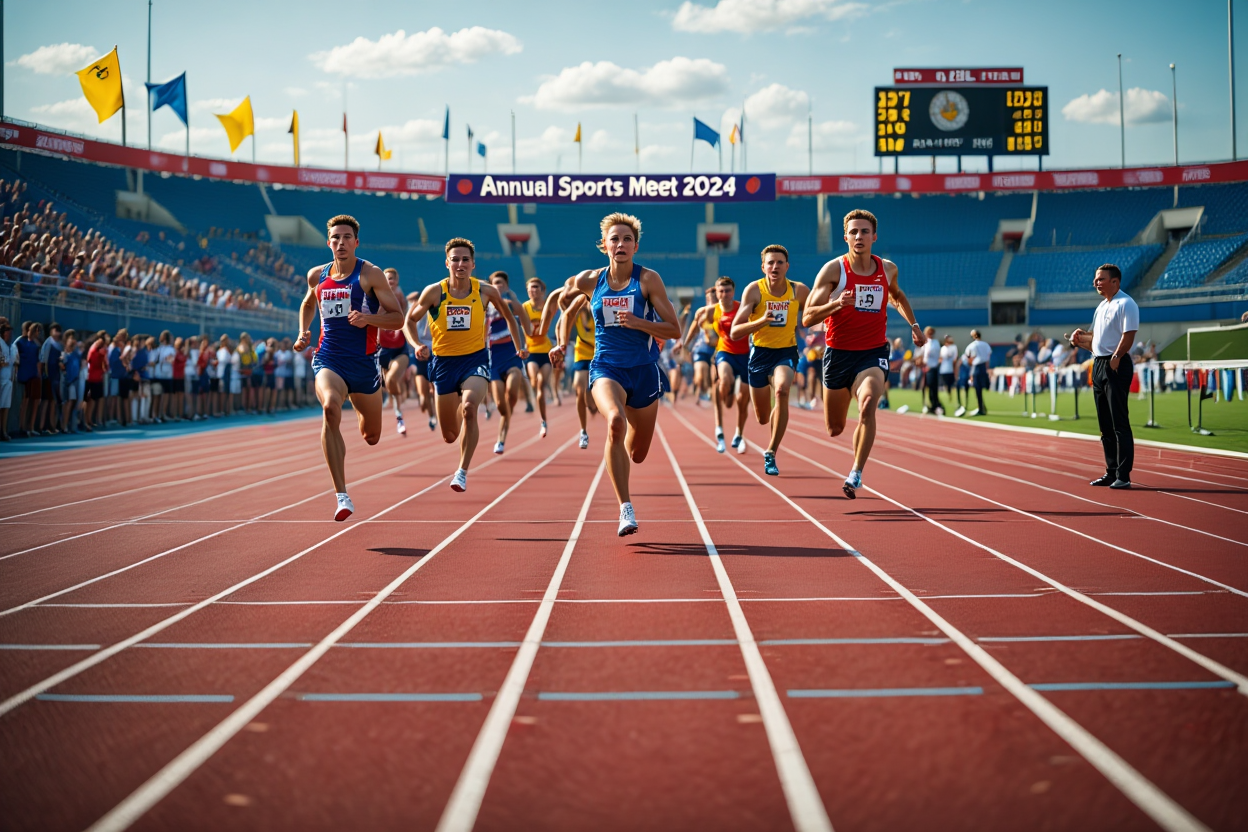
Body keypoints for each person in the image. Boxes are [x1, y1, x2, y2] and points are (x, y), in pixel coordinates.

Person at [551, 212, 682, 536]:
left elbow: (674, 328)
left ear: (635, 246)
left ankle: (622, 462)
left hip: (643, 371)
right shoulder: (588, 280)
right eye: (614, 239)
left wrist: (639, 323)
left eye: (626, 239)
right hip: (605, 366)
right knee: (614, 422)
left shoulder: (648, 280)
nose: (620, 244)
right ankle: (625, 508)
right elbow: (563, 303)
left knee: (637, 453)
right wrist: (558, 341)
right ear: (604, 245)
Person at [803, 209, 925, 498]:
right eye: (854, 232)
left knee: (869, 401)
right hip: (838, 354)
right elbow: (807, 317)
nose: (859, 236)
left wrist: (914, 324)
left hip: (872, 352)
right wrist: (836, 305)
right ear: (845, 237)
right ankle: (851, 453)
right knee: (834, 428)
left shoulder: (888, 269)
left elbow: (896, 295)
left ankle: (856, 471)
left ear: (874, 237)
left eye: (865, 231)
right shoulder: (834, 270)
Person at [294, 214, 404, 520]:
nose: (340, 243)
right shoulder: (317, 275)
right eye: (335, 238)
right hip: (329, 357)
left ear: (356, 242)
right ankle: (342, 496)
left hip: (364, 364)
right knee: (330, 407)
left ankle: (359, 404)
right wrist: (303, 333)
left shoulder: (370, 275)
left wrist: (368, 318)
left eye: (346, 238)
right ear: (328, 242)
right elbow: (307, 304)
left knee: (371, 436)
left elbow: (397, 318)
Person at [405, 238, 526, 492]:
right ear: (447, 262)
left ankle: (461, 471)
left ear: (473, 264)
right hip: (443, 363)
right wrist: (416, 344)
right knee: (449, 435)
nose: (460, 264)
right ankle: (459, 418)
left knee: (470, 408)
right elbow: (409, 321)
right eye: (455, 259)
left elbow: (509, 317)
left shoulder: (485, 291)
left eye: (465, 260)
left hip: (475, 359)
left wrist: (518, 346)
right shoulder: (434, 292)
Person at [730, 244, 811, 477]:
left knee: (782, 391)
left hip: (786, 351)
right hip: (759, 354)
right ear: (763, 266)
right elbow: (736, 331)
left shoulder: (799, 290)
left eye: (779, 263)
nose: (775, 266)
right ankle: (768, 434)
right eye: (770, 263)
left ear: (787, 266)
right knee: (763, 417)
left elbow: (814, 313)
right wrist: (761, 321)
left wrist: (821, 326)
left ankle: (771, 451)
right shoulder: (754, 290)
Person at [1065, 263, 1139, 489]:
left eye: (1101, 279)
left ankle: (1123, 475)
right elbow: (1095, 339)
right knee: (1105, 425)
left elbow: (1129, 335)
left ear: (1115, 281)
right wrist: (1079, 338)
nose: (1096, 282)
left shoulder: (1126, 303)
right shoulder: (1101, 306)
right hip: (1098, 364)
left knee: (1119, 422)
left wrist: (1116, 357)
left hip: (1115, 364)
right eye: (1096, 279)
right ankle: (1110, 471)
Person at [485, 270, 532, 454]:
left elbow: (528, 329)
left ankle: (501, 439)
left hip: (512, 356)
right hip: (493, 361)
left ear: (506, 286)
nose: (498, 286)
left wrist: (526, 345)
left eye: (501, 283)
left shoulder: (512, 305)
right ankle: (501, 434)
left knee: (512, 394)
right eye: (495, 283)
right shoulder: (483, 306)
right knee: (500, 404)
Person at [708, 276, 750, 454]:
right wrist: (683, 343)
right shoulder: (711, 311)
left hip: (746, 355)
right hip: (725, 352)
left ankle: (739, 434)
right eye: (721, 291)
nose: (724, 294)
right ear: (716, 292)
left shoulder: (743, 308)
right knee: (723, 381)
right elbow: (696, 322)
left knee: (743, 399)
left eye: (728, 291)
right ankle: (719, 426)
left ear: (733, 292)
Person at [376, 267, 412, 436]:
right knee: (385, 384)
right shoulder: (376, 298)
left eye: (392, 279)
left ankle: (399, 416)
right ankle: (392, 398)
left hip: (399, 348)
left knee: (391, 379)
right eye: (387, 279)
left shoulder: (399, 296)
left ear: (396, 282)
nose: (390, 282)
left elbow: (403, 309)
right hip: (382, 349)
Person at [522, 277, 555, 437]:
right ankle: (537, 396)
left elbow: (545, 327)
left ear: (542, 291)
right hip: (532, 351)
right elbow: (525, 329)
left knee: (541, 385)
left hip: (546, 350)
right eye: (530, 289)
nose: (532, 291)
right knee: (534, 379)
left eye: (535, 288)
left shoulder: (547, 306)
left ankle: (543, 420)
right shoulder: (525, 307)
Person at [404, 290, 437, 431]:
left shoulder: (435, 308)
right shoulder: (412, 314)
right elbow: (406, 327)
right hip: (419, 355)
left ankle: (437, 414)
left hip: (436, 354)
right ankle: (431, 415)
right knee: (423, 397)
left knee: (436, 391)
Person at [963, 330, 992, 416]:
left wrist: (971, 368)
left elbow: (969, 358)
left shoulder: (972, 346)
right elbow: (988, 356)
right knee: (981, 388)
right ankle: (982, 406)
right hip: (983, 367)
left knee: (977, 388)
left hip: (976, 367)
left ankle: (980, 408)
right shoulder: (985, 344)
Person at [920, 326, 941, 414]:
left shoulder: (936, 342)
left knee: (933, 387)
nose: (931, 334)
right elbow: (922, 355)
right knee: (925, 387)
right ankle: (926, 404)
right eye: (929, 332)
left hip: (933, 367)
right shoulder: (925, 343)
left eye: (932, 332)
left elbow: (939, 355)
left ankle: (935, 404)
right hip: (926, 368)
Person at [0, 320, 15, 440]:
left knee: (5, 407)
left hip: (8, 379)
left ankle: (3, 431)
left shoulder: (10, 346)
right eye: (8, 332)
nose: (10, 335)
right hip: (1, 379)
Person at [938, 334, 958, 414]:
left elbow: (954, 359)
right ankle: (948, 396)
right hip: (943, 369)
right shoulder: (943, 348)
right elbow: (940, 358)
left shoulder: (953, 347)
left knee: (951, 384)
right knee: (945, 384)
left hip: (950, 369)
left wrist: (954, 369)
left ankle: (952, 397)